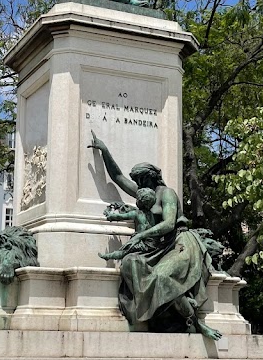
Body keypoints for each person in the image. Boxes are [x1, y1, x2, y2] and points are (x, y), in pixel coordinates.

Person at [88, 131, 223, 339]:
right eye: (137, 182)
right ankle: (155, 315)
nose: (138, 185)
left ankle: (193, 321)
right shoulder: (145, 192)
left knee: (160, 277)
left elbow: (169, 223)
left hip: (180, 243)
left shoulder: (166, 193)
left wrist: (141, 236)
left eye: (141, 180)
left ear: (150, 178)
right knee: (132, 265)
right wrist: (105, 151)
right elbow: (118, 177)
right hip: (159, 247)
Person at [99, 188, 159, 261]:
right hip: (152, 243)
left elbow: (120, 217)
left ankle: (109, 256)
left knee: (125, 251)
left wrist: (110, 216)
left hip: (141, 242)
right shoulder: (152, 214)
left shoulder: (137, 213)